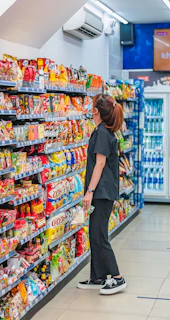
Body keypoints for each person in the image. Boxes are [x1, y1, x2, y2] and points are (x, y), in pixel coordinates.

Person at [77, 94, 127, 295]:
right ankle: (98, 277)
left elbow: (100, 163)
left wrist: (89, 191)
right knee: (95, 234)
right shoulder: (102, 131)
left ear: (96, 111)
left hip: (102, 192)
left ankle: (117, 277)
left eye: (92, 105)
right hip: (102, 191)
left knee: (99, 235)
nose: (90, 107)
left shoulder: (103, 134)